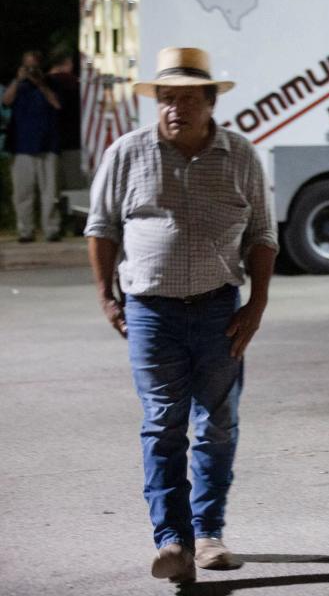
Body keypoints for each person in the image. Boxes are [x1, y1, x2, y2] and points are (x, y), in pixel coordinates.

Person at [84, 47, 277, 584]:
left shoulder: (240, 156)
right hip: (150, 312)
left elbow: (262, 234)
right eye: (167, 99)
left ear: (211, 104)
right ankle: (173, 541)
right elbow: (101, 228)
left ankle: (209, 533)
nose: (175, 109)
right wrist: (106, 295)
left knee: (217, 425)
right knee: (163, 425)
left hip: (220, 310)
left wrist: (257, 304)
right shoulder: (126, 153)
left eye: (188, 99)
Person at [2, 50, 62, 242]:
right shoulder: (19, 85)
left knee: (50, 192)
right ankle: (25, 230)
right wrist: (19, 80)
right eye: (28, 66)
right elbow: (6, 101)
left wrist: (40, 83)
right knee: (23, 193)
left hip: (48, 145)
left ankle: (51, 229)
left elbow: (57, 105)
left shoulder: (51, 83)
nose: (31, 70)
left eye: (34, 66)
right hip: (22, 147)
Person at [47, 49, 84, 191]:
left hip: (48, 144)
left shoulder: (42, 83)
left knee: (52, 189)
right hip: (73, 141)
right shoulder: (74, 83)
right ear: (68, 63)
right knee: (74, 187)